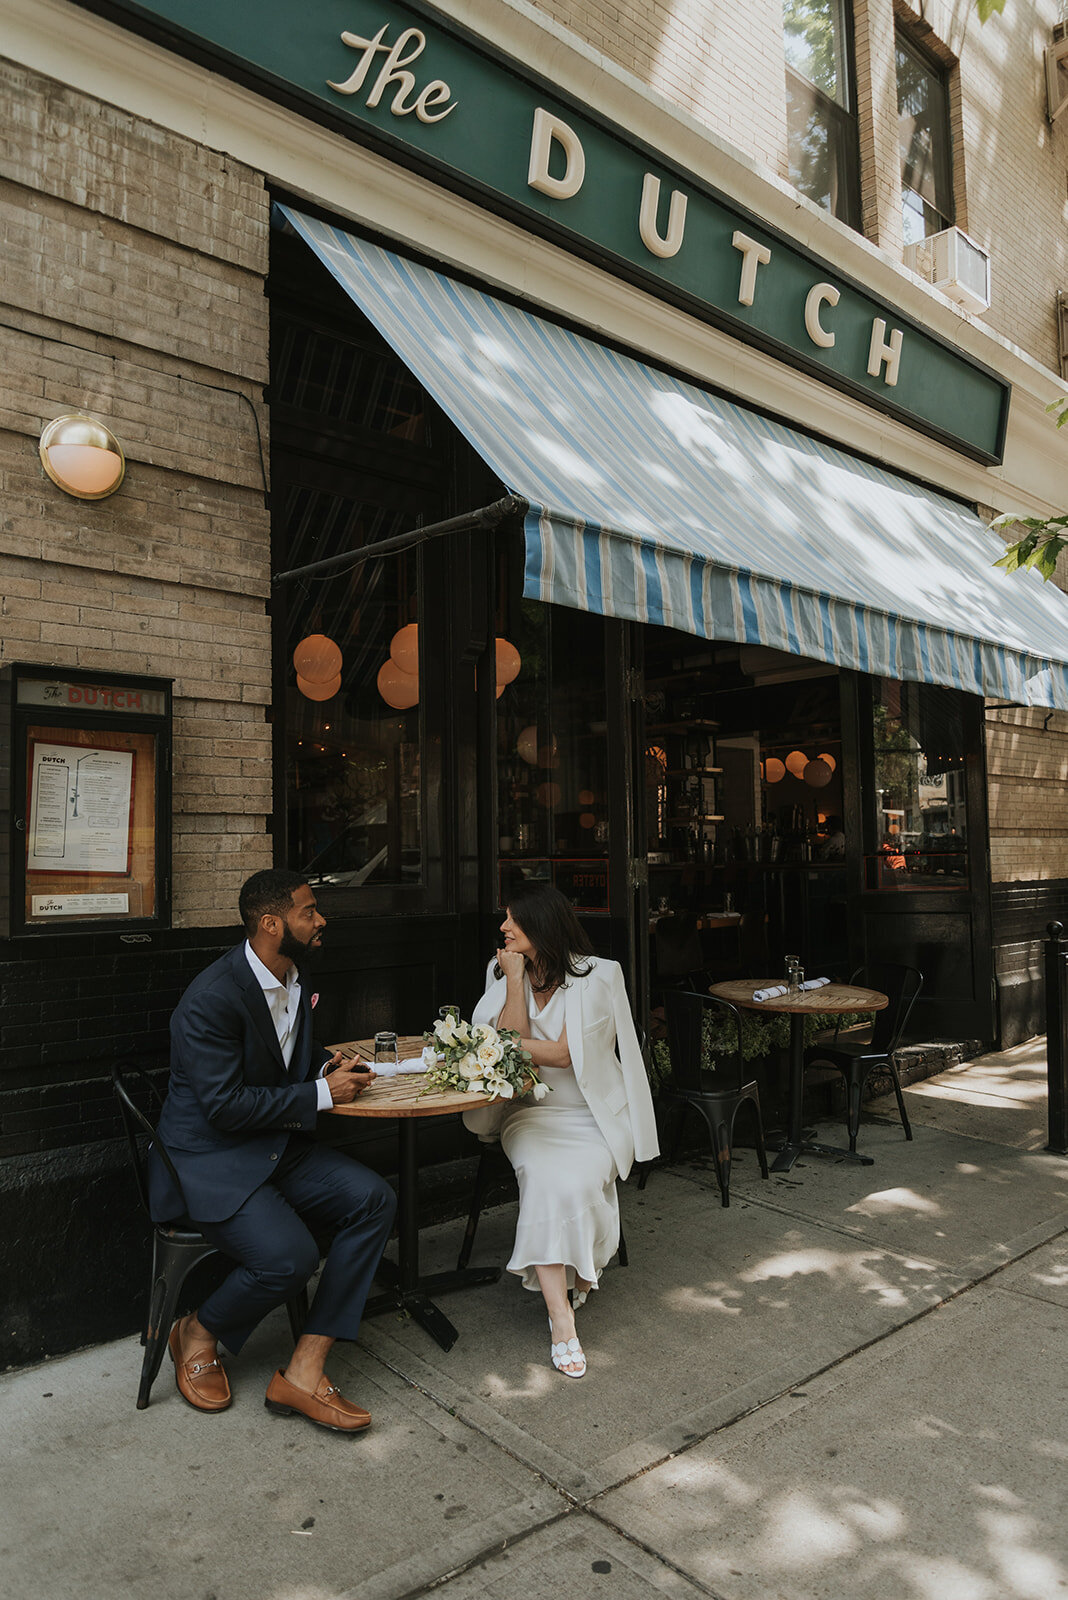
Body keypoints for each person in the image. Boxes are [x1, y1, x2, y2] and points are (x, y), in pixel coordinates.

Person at [148, 868, 396, 1432]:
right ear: (271, 923)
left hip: (274, 1145)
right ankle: (197, 1330)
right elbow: (224, 1107)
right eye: (309, 912)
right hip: (209, 1161)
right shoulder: (212, 999)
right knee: (291, 1258)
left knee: (374, 1200)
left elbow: (283, 1061)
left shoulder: (293, 976)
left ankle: (305, 1368)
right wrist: (321, 1095)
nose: (321, 919)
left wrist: (324, 1068)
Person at [466, 884, 659, 1379]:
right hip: (531, 1113)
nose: (503, 928)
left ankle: (577, 1270)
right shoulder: (502, 969)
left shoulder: (599, 975)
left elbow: (563, 1055)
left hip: (590, 1115)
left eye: (512, 920)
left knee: (575, 1181)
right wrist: (514, 983)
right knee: (547, 1179)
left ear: (542, 925)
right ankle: (561, 1319)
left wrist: (506, 1042)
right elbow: (513, 1061)